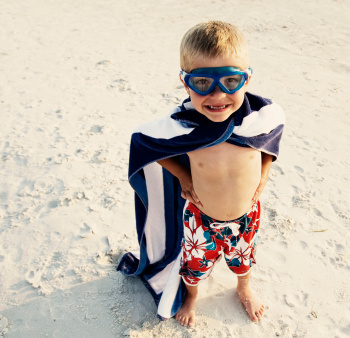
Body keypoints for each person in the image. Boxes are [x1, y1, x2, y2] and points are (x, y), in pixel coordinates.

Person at [118, 20, 284, 328]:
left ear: (247, 80)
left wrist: (264, 173)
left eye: (230, 82)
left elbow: (270, 139)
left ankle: (244, 288)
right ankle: (192, 296)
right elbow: (146, 143)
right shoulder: (184, 126)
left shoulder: (258, 118)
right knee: (193, 266)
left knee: (243, 258)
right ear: (185, 83)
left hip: (248, 215)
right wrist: (182, 175)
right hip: (200, 216)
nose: (218, 96)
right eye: (203, 83)